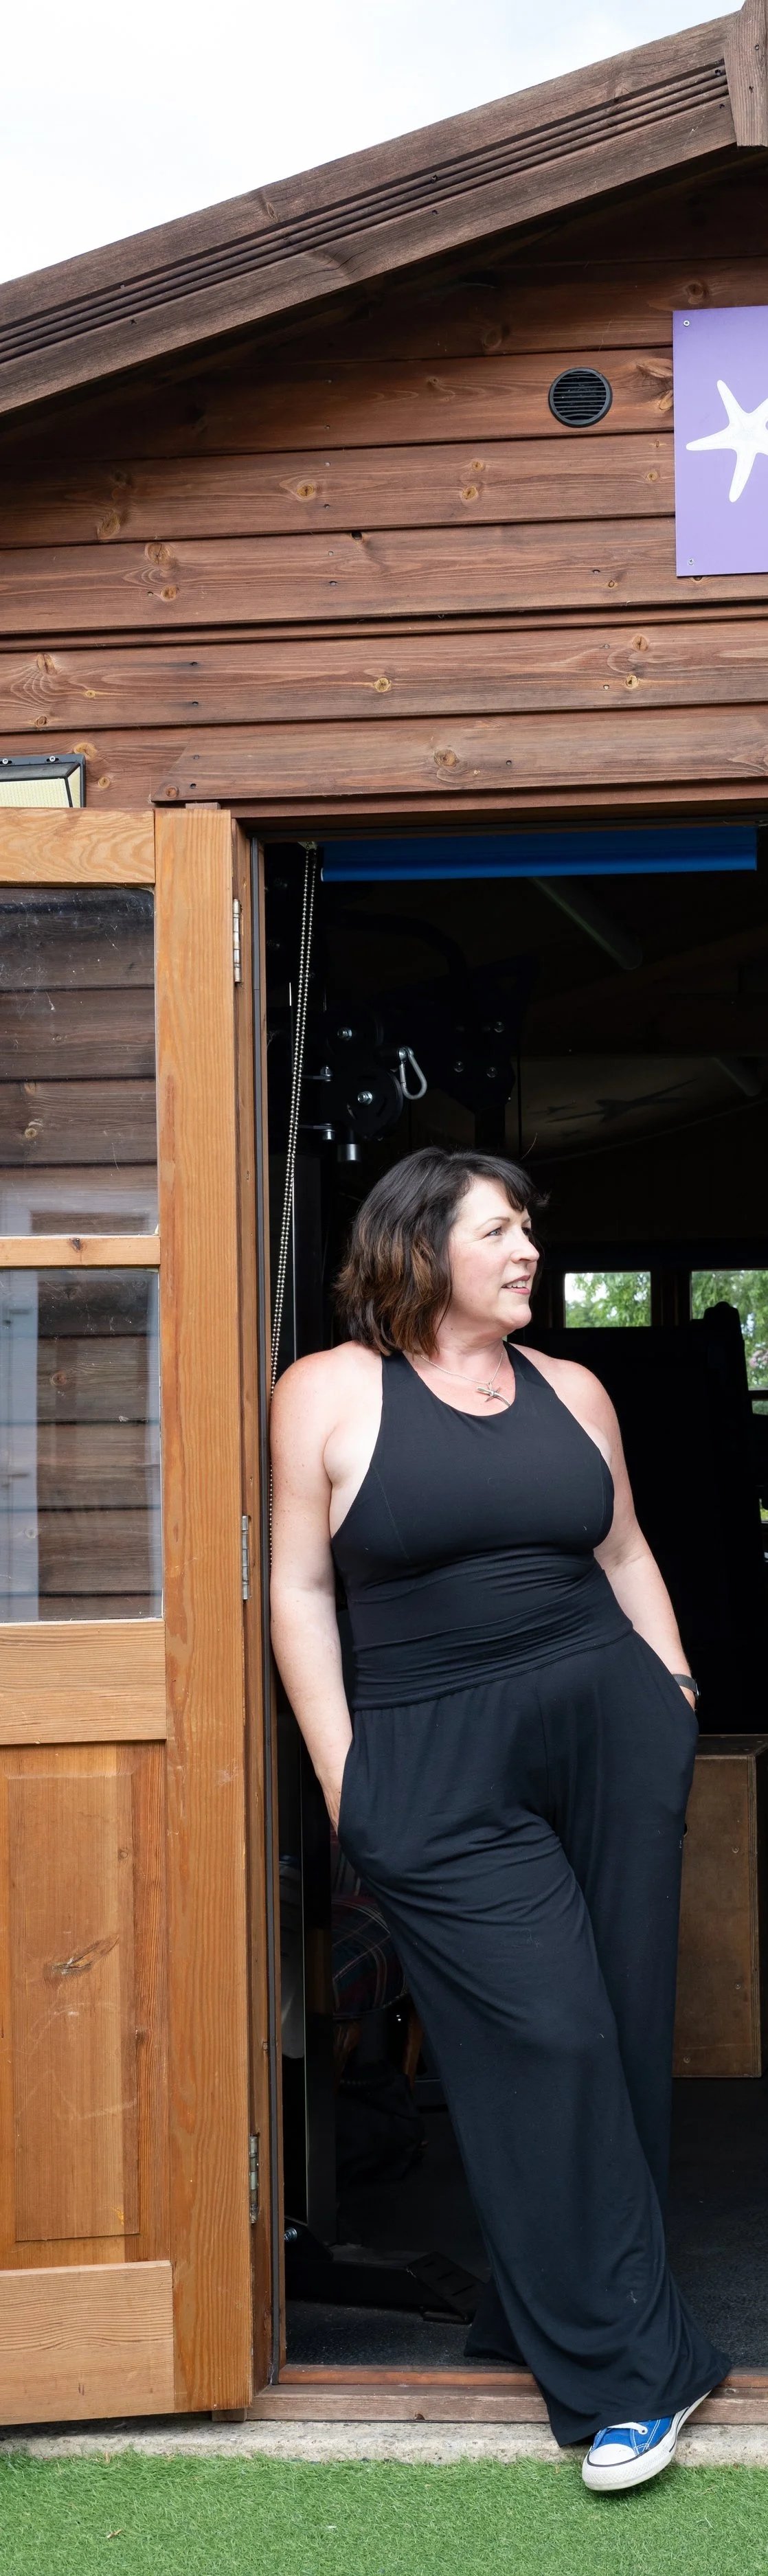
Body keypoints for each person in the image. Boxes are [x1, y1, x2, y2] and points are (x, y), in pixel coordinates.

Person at [269, 1147, 728, 2491]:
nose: (527, 1249)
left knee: (621, 2033)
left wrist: (676, 1692)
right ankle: (634, 2377)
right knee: (552, 2034)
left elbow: (625, 1550)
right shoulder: (330, 1393)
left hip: (610, 1732)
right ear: (419, 1249)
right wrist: (348, 1777)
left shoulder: (574, 1390)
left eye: (530, 1229)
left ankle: (537, 2313)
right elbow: (297, 1593)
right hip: (433, 1752)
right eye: (497, 1230)